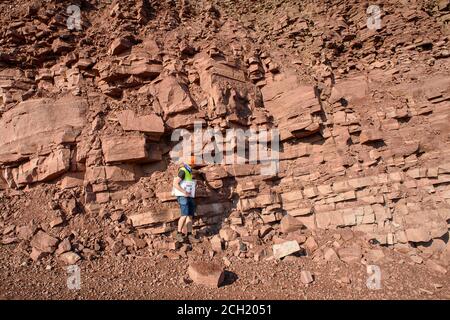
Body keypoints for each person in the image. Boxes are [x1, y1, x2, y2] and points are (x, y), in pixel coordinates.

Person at [173, 156, 197, 243]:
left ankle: (190, 235)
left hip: (189, 196)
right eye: (193, 162)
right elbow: (175, 183)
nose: (194, 164)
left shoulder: (189, 171)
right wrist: (184, 192)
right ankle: (179, 234)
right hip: (183, 196)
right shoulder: (183, 170)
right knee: (184, 215)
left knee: (190, 215)